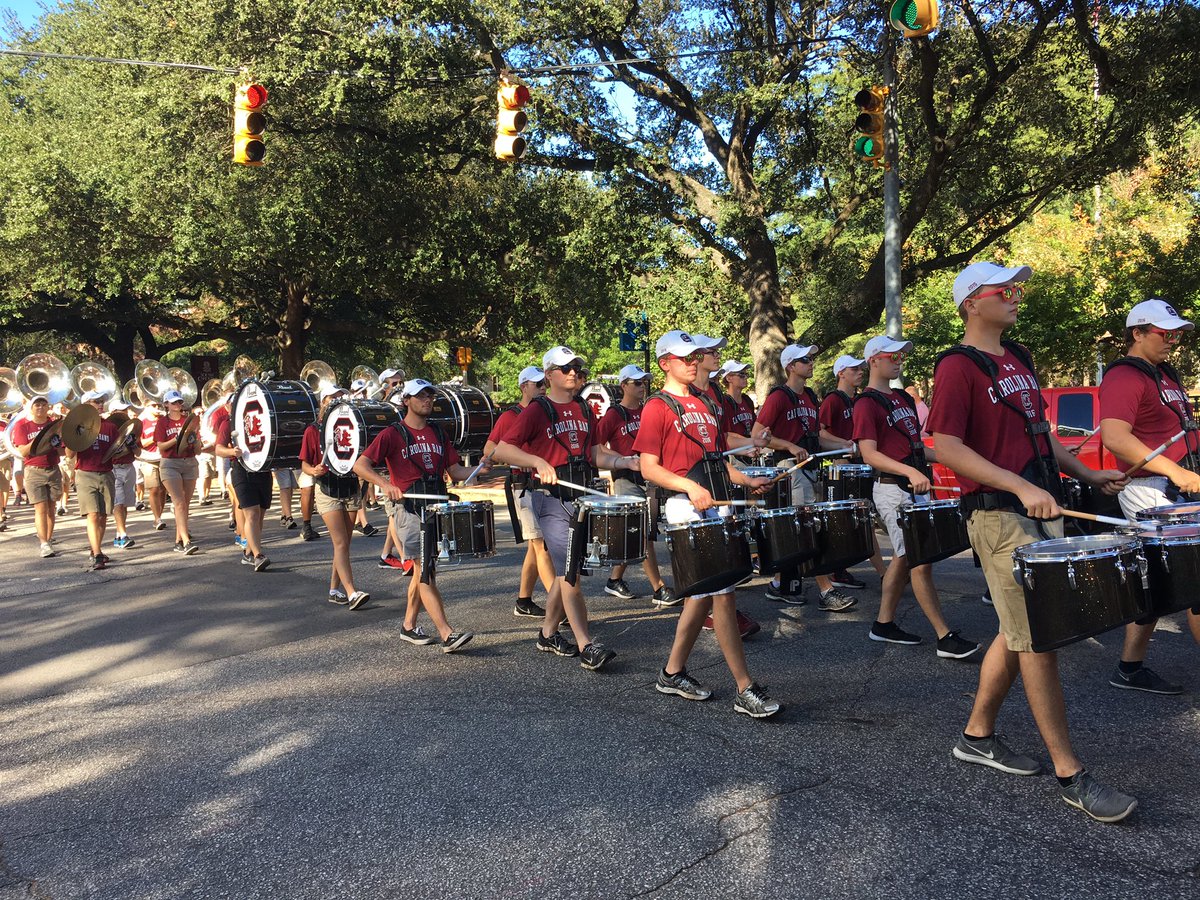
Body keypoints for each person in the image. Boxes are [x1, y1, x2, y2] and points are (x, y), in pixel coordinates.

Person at [930, 259, 1135, 823]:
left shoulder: (1018, 358)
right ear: (972, 301)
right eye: (1005, 289)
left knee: (1017, 629)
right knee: (1038, 636)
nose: (1016, 295)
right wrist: (1019, 486)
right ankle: (1071, 773)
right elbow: (943, 444)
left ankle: (977, 735)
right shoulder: (956, 366)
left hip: (1040, 505)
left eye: (1018, 287)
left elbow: (1039, 435)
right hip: (999, 516)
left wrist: (1087, 475)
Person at [635, 330, 781, 717]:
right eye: (685, 357)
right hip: (686, 506)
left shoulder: (705, 400)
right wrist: (688, 487)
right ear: (665, 362)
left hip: (715, 503)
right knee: (724, 595)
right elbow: (649, 467)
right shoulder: (657, 406)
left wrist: (749, 480)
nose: (694, 361)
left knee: (701, 597)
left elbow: (718, 461)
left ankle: (672, 672)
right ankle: (745, 688)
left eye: (695, 356)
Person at [494, 345, 641, 671]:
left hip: (582, 497)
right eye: (565, 368)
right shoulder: (536, 410)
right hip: (549, 499)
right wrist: (536, 461)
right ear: (549, 375)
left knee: (567, 570)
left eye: (576, 366)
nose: (573, 372)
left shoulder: (586, 410)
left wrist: (623, 460)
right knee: (570, 572)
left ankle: (547, 632)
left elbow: (594, 455)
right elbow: (503, 449)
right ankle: (586, 644)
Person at [853, 335, 980, 659]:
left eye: (900, 356)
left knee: (906, 557)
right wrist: (910, 472)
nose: (899, 360)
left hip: (913, 486)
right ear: (873, 361)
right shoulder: (866, 403)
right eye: (892, 355)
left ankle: (883, 623)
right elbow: (868, 453)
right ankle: (943, 636)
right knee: (920, 560)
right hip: (893, 489)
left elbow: (917, 448)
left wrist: (956, 455)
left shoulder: (901, 399)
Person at [1098, 298, 1200, 695]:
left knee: (1157, 583)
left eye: (1175, 334)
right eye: (1164, 333)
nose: (1172, 340)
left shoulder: (1163, 374)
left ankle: (1129, 667)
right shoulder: (1126, 376)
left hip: (1178, 487)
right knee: (1195, 581)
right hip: (1153, 489)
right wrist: (1175, 471)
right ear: (1137, 333)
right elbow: (1116, 438)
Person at [354, 378, 476, 652]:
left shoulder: (438, 432)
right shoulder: (392, 434)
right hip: (409, 509)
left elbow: (455, 472)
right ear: (406, 400)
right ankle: (447, 634)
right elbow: (360, 465)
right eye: (421, 396)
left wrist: (480, 469)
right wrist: (385, 485)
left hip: (435, 507)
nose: (427, 400)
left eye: (430, 396)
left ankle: (409, 626)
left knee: (425, 569)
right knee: (425, 571)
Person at [752, 345, 857, 611]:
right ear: (790, 366)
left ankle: (778, 585)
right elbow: (758, 435)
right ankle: (826, 590)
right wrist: (788, 445)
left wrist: (847, 445)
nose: (811, 363)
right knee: (808, 525)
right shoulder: (779, 397)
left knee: (803, 528)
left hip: (810, 466)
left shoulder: (810, 397)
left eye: (811, 359)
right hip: (789, 469)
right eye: (805, 360)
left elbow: (818, 437)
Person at [595, 364, 676, 606]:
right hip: (625, 479)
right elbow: (597, 446)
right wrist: (622, 459)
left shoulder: (648, 410)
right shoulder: (613, 414)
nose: (643, 387)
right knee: (644, 534)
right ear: (623, 385)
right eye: (637, 383)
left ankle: (614, 580)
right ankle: (658, 588)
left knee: (637, 532)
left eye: (645, 383)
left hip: (650, 479)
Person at [483, 365, 552, 618]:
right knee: (540, 543)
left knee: (535, 546)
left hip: (544, 483)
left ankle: (523, 600)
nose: (543, 389)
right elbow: (490, 447)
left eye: (544, 384)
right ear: (524, 387)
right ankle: (562, 606)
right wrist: (514, 458)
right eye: (538, 385)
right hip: (522, 484)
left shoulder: (547, 412)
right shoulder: (511, 415)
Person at [819, 353, 885, 588]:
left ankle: (883, 572)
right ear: (841, 373)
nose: (860, 372)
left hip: (861, 466)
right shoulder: (833, 400)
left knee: (864, 519)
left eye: (860, 368)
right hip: (842, 467)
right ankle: (839, 569)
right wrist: (846, 444)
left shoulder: (859, 400)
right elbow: (821, 434)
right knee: (847, 521)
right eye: (854, 369)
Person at [301, 386, 369, 608]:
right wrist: (314, 471)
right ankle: (351, 592)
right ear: (323, 402)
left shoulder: (351, 424)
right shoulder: (313, 430)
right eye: (332, 398)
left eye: (340, 397)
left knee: (344, 544)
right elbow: (304, 464)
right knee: (340, 542)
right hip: (327, 488)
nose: (338, 400)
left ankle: (334, 589)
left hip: (349, 486)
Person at [215, 396, 272, 571]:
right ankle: (257, 555)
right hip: (241, 470)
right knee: (252, 514)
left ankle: (249, 553)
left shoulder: (262, 418)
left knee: (260, 515)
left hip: (262, 470)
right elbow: (218, 448)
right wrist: (232, 451)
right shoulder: (228, 423)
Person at [64, 390, 120, 569]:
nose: (100, 404)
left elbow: (116, 450)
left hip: (106, 472)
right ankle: (97, 554)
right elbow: (70, 453)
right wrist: (77, 435)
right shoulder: (77, 424)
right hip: (85, 473)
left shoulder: (109, 426)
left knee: (103, 515)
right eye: (96, 401)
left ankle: (96, 548)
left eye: (102, 401)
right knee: (93, 514)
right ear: (86, 404)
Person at [11, 395, 63, 557]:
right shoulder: (22, 425)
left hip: (53, 468)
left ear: (48, 407)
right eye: (36, 405)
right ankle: (44, 543)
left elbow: (63, 452)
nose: (40, 407)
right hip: (34, 469)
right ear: (31, 407)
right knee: (40, 508)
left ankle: (48, 538)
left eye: (43, 404)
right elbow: (21, 452)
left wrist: (57, 445)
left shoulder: (55, 425)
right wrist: (40, 440)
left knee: (51, 508)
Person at [156, 390, 201, 554]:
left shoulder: (188, 421)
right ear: (166, 404)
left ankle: (178, 540)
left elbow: (198, 450)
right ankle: (187, 541)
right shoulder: (162, 422)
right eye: (174, 402)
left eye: (180, 402)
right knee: (179, 503)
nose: (178, 405)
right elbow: (160, 447)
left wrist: (195, 439)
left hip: (189, 462)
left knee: (184, 504)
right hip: (170, 463)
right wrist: (177, 438)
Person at [106, 400, 139, 549]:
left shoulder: (131, 430)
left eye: (125, 410)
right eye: (120, 411)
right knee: (118, 502)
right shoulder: (106, 430)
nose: (123, 413)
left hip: (128, 466)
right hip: (113, 468)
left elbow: (138, 452)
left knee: (124, 504)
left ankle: (119, 535)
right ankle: (123, 534)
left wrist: (133, 444)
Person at [138, 399, 168, 531]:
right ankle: (156, 518)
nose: (156, 408)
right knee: (154, 489)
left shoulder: (164, 419)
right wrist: (155, 437)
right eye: (153, 405)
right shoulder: (141, 422)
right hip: (148, 458)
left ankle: (159, 515)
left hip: (164, 457)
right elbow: (141, 443)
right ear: (146, 406)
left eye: (158, 405)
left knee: (163, 490)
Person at [717, 360, 756, 439]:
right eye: (741, 374)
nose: (745, 377)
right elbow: (725, 433)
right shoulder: (723, 402)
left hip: (751, 447)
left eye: (746, 374)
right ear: (728, 378)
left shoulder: (747, 400)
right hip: (735, 449)